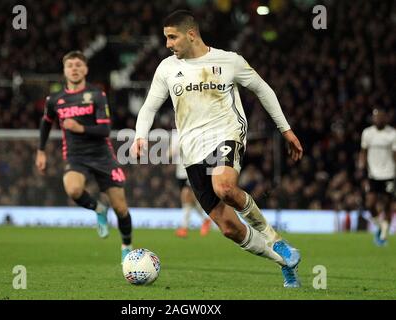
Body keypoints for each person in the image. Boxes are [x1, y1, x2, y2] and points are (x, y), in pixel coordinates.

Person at [131, 10, 303, 288]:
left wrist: (285, 129)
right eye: (166, 38)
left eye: (172, 37)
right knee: (228, 228)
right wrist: (140, 136)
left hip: (226, 133)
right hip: (191, 151)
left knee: (224, 187)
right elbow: (149, 106)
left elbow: (263, 89)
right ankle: (284, 261)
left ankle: (274, 239)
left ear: (191, 34)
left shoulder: (229, 61)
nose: (168, 44)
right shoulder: (166, 68)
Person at [35, 50, 133, 262]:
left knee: (121, 208)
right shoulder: (55, 99)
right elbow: (46, 122)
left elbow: (105, 130)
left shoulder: (97, 95)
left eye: (79, 65)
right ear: (64, 71)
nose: (75, 69)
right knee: (73, 189)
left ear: (86, 69)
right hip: (76, 156)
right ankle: (98, 208)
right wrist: (40, 150)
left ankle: (126, 246)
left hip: (102, 155)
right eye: (70, 65)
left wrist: (79, 128)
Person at [359, 108, 396, 246]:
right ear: (373, 119)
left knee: (387, 204)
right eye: (376, 117)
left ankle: (384, 236)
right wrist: (361, 167)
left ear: (385, 118)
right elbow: (363, 152)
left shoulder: (392, 134)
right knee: (370, 204)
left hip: (389, 174)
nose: (379, 119)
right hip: (373, 174)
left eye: (381, 117)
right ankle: (380, 226)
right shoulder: (367, 133)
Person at [170, 131, 212, 237]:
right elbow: (171, 152)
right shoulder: (175, 134)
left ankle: (184, 227)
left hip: (191, 170)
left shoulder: (193, 131)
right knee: (189, 201)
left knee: (186, 195)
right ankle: (206, 219)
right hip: (180, 172)